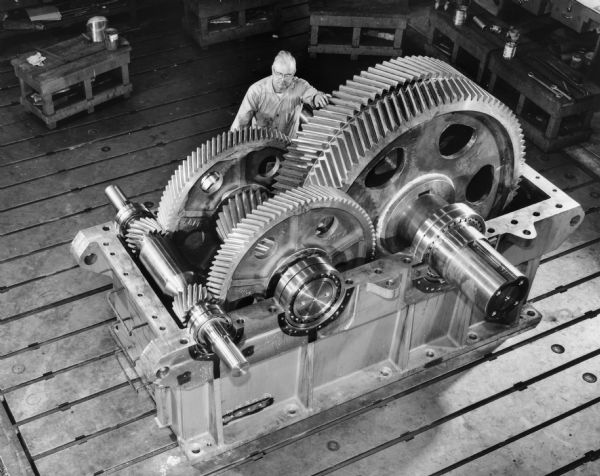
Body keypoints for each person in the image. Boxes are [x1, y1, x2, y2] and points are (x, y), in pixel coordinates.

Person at [230, 50, 329, 138]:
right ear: (273, 70)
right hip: (261, 145)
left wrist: (317, 97)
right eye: (279, 74)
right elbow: (240, 123)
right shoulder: (256, 91)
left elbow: (312, 94)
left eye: (287, 75)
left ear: (294, 73)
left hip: (288, 146)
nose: (282, 80)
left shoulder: (300, 86)